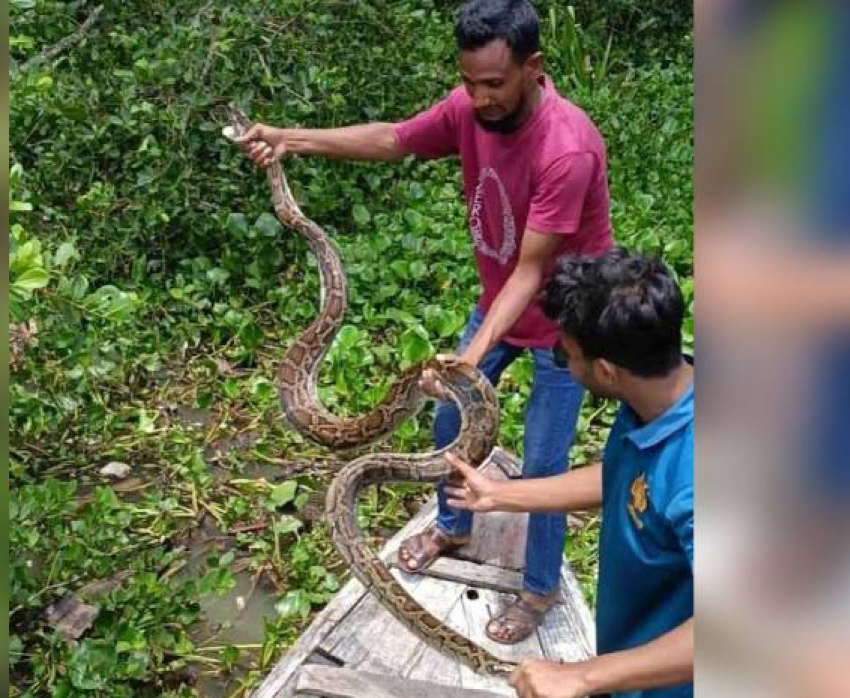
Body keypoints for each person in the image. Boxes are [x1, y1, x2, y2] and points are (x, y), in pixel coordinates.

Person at [235, 0, 613, 644]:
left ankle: (540, 588)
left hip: (564, 324)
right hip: (497, 301)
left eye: (494, 83)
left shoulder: (566, 148)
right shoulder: (469, 107)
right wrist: (290, 138)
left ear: (534, 68)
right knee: (445, 419)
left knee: (545, 465)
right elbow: (395, 138)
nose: (479, 97)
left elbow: (531, 272)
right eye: (469, 82)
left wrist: (468, 359)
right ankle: (453, 523)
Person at [445, 249, 693, 698]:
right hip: (630, 667)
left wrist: (582, 677)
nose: (561, 360)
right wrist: (499, 496)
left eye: (564, 354)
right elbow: (625, 478)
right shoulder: (661, 394)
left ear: (606, 371)